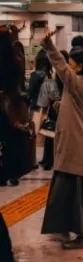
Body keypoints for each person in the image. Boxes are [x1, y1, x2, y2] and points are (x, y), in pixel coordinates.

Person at [40, 30, 83, 249]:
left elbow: (60, 66)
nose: (68, 66)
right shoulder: (82, 86)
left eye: (72, 63)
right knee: (69, 191)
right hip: (75, 147)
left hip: (75, 149)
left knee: (74, 193)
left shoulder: (78, 83)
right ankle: (65, 229)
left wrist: (48, 45)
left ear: (80, 67)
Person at [0, 28, 28, 188]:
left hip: (4, 104)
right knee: (11, 141)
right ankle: (13, 173)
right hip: (12, 105)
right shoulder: (15, 59)